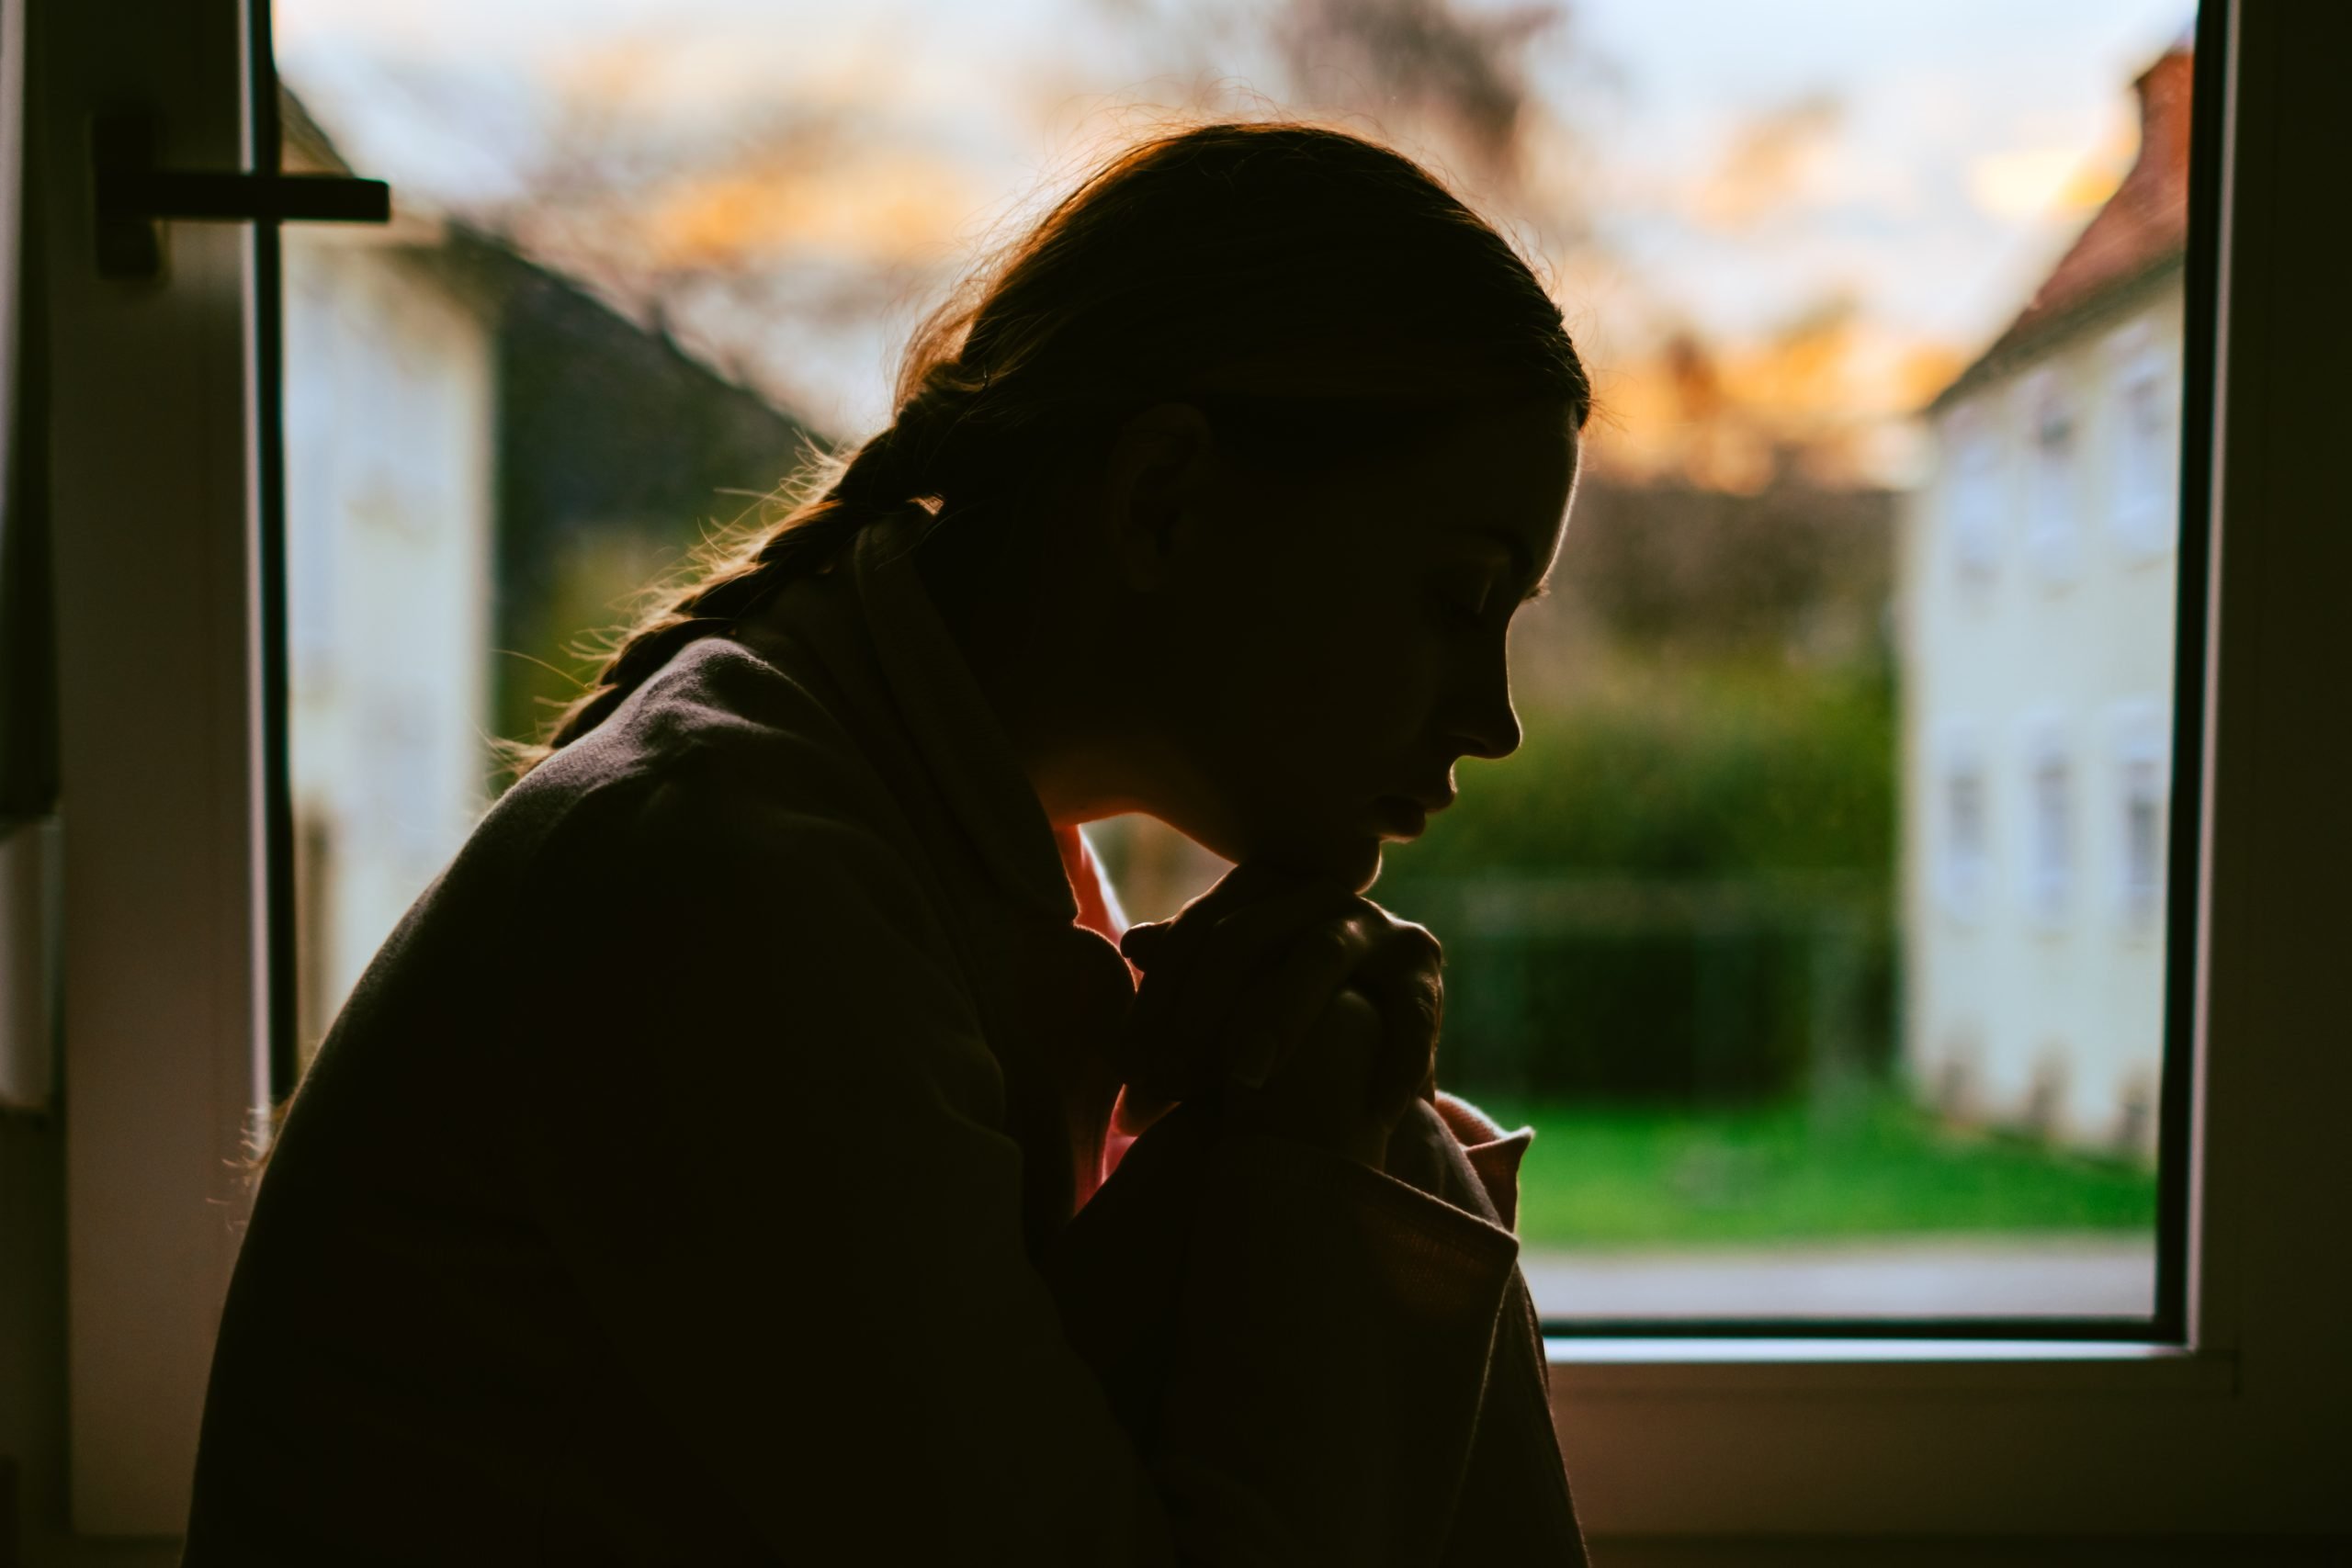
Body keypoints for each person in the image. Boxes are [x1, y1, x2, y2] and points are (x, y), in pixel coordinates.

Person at [182, 121, 1592, 1564]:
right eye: (1454, 599)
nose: (1491, 721)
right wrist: (1318, 1163)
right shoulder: (736, 897)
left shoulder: (918, 822)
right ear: (1165, 497)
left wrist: (1297, 1113)